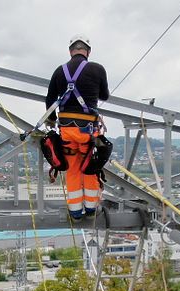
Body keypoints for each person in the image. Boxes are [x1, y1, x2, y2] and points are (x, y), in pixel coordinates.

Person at [46, 34, 109, 221]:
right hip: (88, 131)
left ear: (70, 51)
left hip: (66, 131)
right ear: (88, 51)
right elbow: (104, 96)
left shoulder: (60, 71)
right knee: (89, 167)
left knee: (73, 169)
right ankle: (90, 210)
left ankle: (75, 212)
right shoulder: (97, 69)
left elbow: (50, 100)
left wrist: (51, 120)